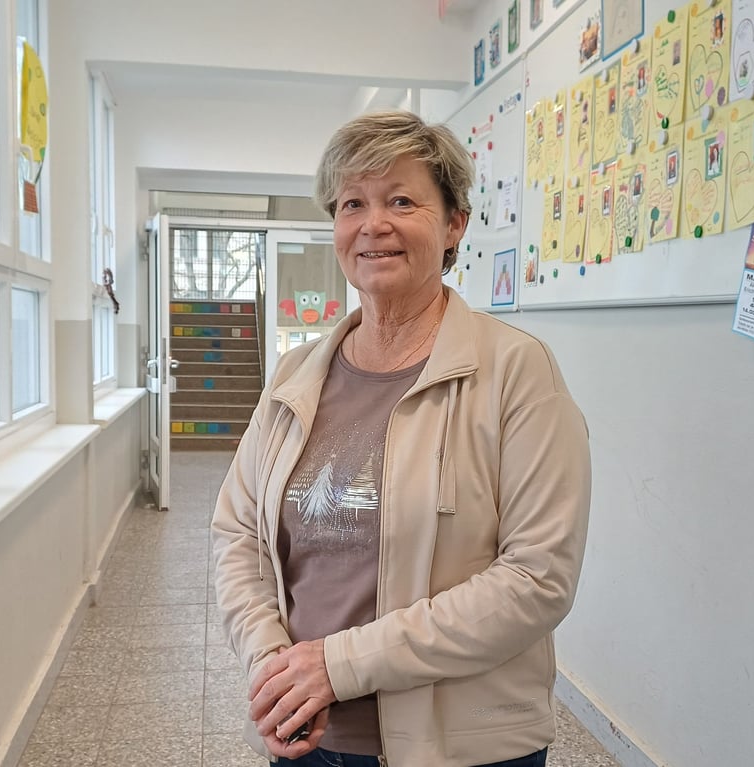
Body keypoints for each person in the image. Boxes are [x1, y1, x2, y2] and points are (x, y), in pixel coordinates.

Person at [211, 110, 592, 767]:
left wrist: (339, 664)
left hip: (461, 747)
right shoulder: (294, 376)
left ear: (453, 225)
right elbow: (236, 533)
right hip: (310, 738)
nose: (373, 223)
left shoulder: (516, 372)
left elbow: (538, 577)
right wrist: (274, 664)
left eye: (402, 200)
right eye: (352, 202)